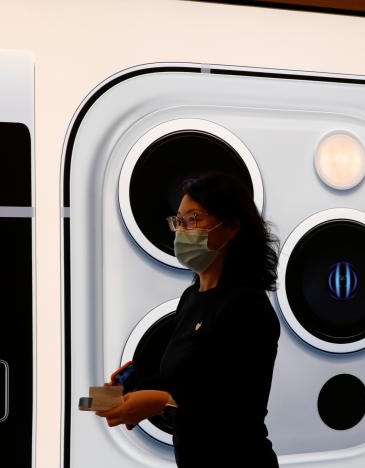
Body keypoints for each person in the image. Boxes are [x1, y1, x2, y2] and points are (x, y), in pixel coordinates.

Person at [96, 172, 281, 467]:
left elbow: (229, 411)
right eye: (178, 221)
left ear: (232, 226)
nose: (181, 231)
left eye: (193, 219)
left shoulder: (248, 306)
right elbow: (181, 381)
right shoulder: (192, 298)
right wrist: (120, 394)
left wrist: (157, 402)